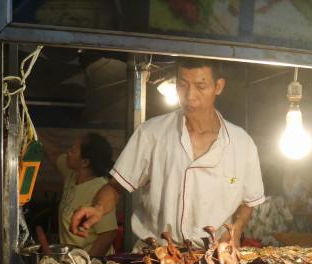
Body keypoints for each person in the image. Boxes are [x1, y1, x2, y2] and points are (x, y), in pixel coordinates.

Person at [70, 58, 265, 250]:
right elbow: (115, 188)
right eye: (182, 85)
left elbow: (249, 201)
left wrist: (236, 231)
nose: (190, 95)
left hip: (212, 259)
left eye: (200, 86)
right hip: (156, 255)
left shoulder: (242, 144)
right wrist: (98, 208)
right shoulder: (152, 133)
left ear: (219, 86)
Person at [41, 132, 119, 256]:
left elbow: (107, 236)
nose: (68, 152)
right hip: (70, 261)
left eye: (72, 150)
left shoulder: (101, 190)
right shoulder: (71, 174)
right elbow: (53, 153)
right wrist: (32, 130)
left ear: (85, 162)